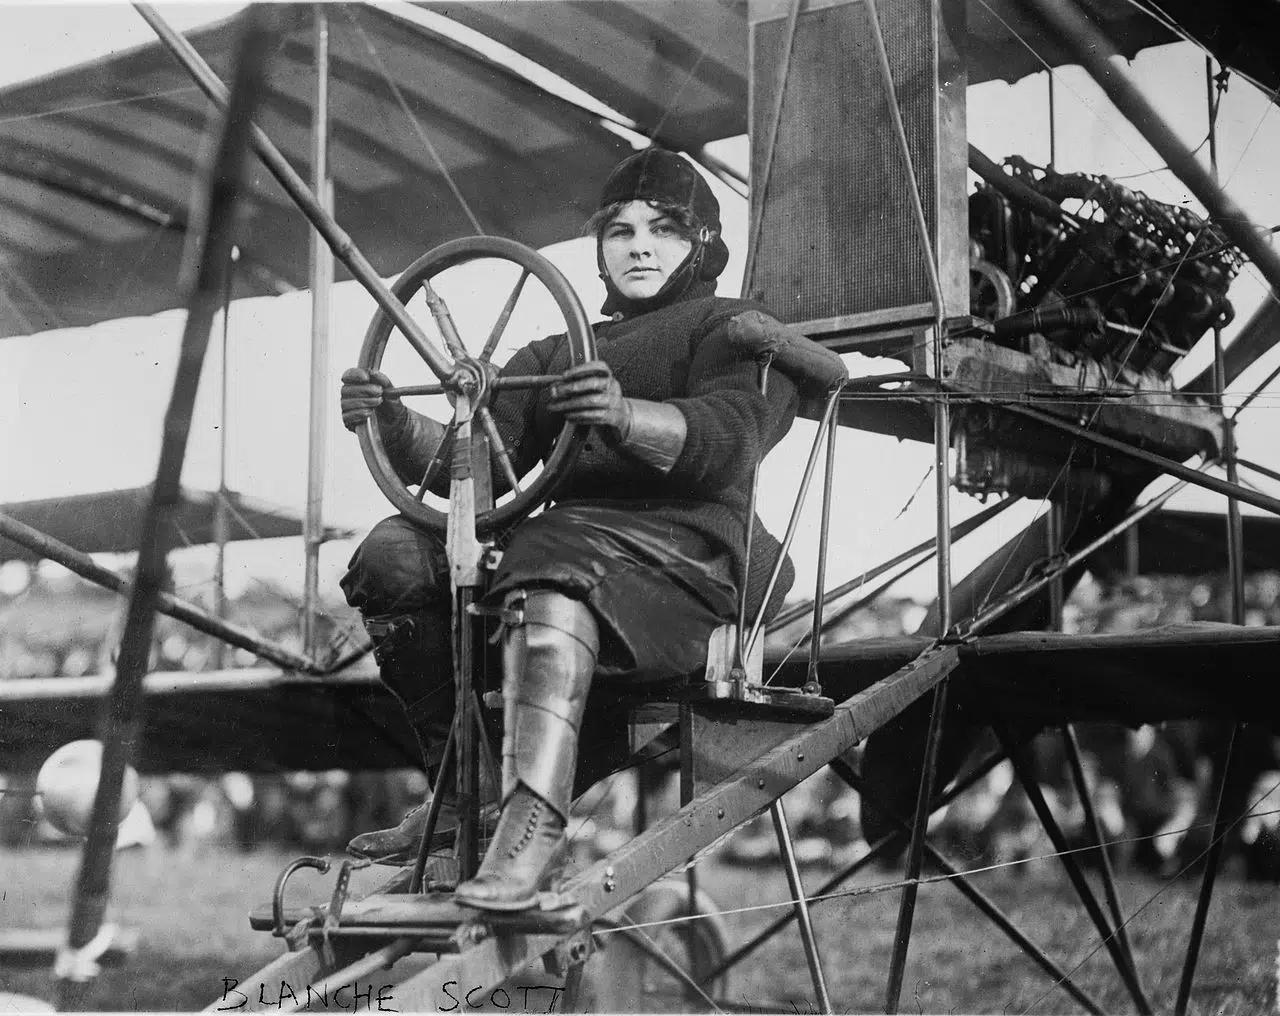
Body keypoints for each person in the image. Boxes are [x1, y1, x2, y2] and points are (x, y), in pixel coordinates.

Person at [338, 147, 799, 911]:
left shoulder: (734, 329)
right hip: (563, 561)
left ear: (705, 245)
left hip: (687, 568)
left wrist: (623, 416)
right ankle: (463, 795)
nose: (639, 246)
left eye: (664, 229)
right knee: (393, 553)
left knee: (549, 550)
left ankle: (528, 833)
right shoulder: (556, 352)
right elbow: (475, 467)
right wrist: (389, 417)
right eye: (618, 231)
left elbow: (728, 439)